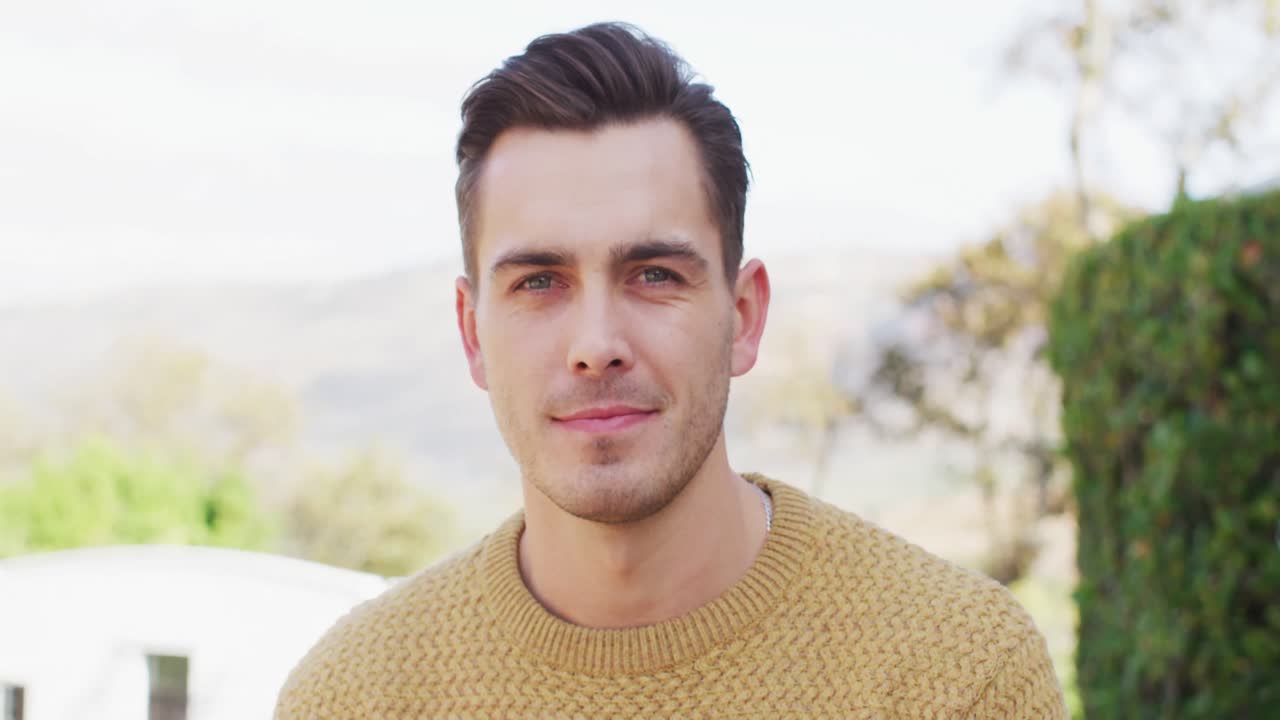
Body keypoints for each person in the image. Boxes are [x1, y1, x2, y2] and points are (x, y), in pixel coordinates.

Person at [275, 22, 1068, 718]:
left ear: (744, 318)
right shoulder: (353, 698)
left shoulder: (957, 677)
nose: (597, 343)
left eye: (654, 274)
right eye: (539, 282)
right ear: (471, 333)